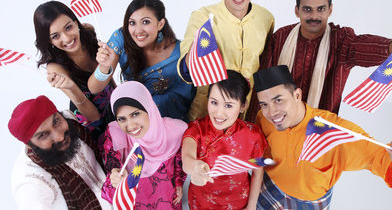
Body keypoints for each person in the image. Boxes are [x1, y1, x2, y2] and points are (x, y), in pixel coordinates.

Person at [248, 0, 392, 120]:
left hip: (318, 133)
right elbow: (262, 87)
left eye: (321, 9)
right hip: (276, 129)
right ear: (297, 11)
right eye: (307, 9)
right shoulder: (281, 38)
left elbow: (370, 48)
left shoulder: (340, 41)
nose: (314, 16)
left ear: (330, 10)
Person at [253, 65, 392, 209]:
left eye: (278, 100)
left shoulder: (336, 131)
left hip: (309, 203)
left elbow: (379, 159)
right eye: (264, 104)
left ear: (297, 95)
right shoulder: (263, 118)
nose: (271, 112)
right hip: (269, 188)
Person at [177, 0, 274, 121]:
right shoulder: (202, 17)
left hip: (247, 116)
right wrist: (192, 58)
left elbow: (265, 63)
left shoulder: (266, 18)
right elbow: (185, 68)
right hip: (206, 116)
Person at [88, 0, 195, 122]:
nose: (138, 31)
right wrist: (104, 66)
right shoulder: (121, 38)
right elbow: (94, 88)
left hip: (176, 122)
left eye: (145, 22)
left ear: (160, 24)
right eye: (132, 23)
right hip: (136, 122)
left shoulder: (180, 51)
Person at [182, 70, 268, 209]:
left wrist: (251, 206)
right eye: (214, 102)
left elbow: (258, 171)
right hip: (202, 203)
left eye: (228, 105)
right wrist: (194, 168)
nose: (219, 112)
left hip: (238, 203)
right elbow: (187, 158)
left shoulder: (253, 135)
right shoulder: (197, 129)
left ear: (243, 106)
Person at [9, 95, 112, 209]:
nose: (59, 136)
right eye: (43, 135)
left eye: (56, 121)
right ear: (29, 144)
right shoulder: (30, 180)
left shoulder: (71, 120)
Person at [34, 1, 115, 141]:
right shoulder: (55, 68)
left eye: (68, 27)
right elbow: (94, 116)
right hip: (93, 122)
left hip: (114, 104)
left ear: (76, 22)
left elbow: (108, 77)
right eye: (55, 36)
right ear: (49, 41)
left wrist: (120, 96)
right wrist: (71, 87)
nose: (67, 38)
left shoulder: (89, 35)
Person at [101, 81, 187, 209]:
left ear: (148, 108)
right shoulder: (114, 135)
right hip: (136, 202)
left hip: (168, 200)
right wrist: (115, 177)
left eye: (135, 114)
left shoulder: (176, 130)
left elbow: (180, 163)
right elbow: (112, 173)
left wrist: (179, 182)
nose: (130, 126)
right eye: (122, 119)